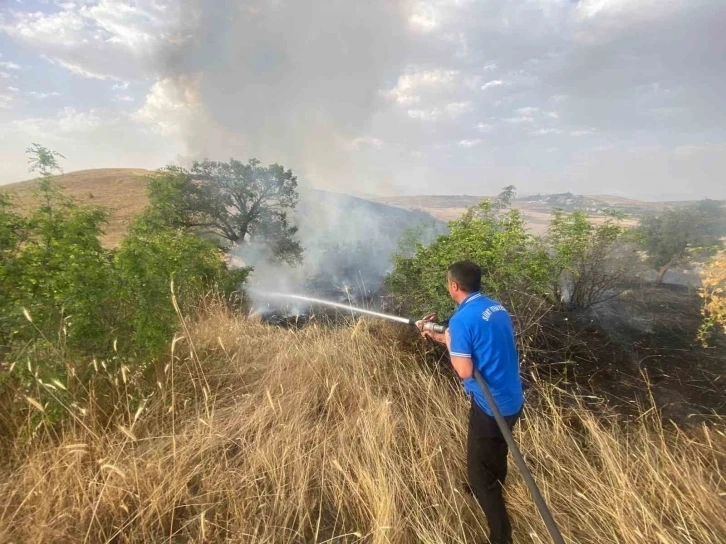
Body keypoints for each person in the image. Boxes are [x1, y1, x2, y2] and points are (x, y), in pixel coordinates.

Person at [418, 260, 524, 544]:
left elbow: (464, 369)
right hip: (513, 397)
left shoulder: (461, 320)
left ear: (453, 285)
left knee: (480, 477)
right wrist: (440, 336)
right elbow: (477, 345)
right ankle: (496, 481)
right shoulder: (494, 307)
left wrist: (449, 338)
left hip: (492, 405)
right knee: (498, 448)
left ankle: (501, 535)